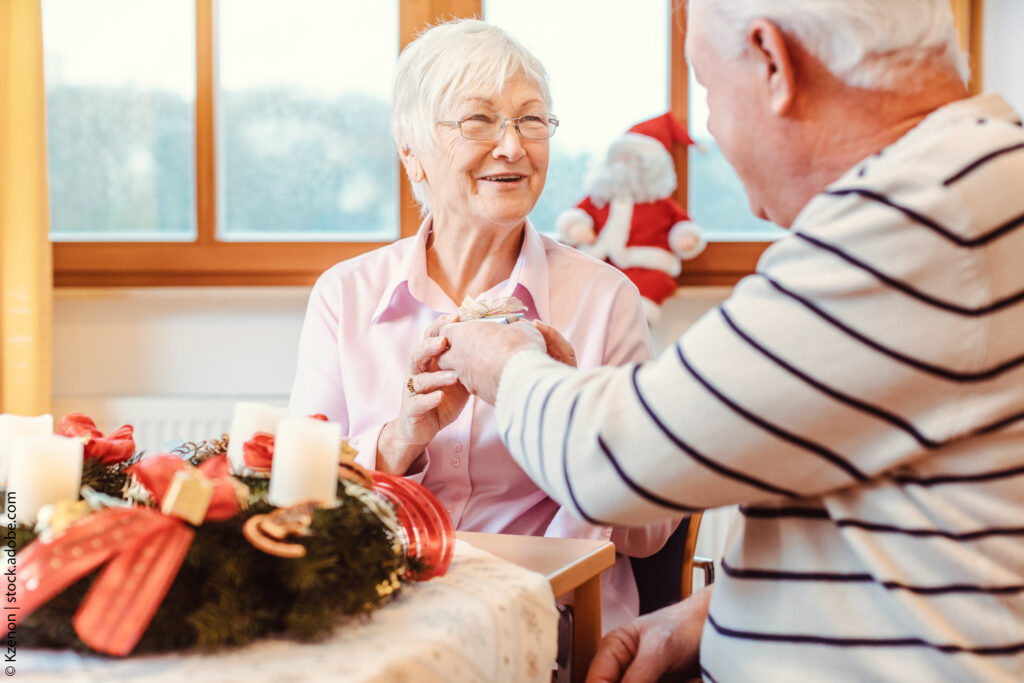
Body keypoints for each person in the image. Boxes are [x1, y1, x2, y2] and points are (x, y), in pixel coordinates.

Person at [436, 0, 1024, 680]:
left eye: (710, 90)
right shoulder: (980, 178)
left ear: (773, 62)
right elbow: (927, 516)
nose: (710, 125)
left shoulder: (918, 218)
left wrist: (506, 362)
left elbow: (618, 461)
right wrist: (708, 612)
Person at [288, 18, 678, 632]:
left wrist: (571, 419)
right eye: (478, 120)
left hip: (556, 624)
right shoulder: (345, 296)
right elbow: (296, 507)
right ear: (411, 150)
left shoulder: (606, 299)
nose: (513, 146)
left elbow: (650, 534)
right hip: (383, 618)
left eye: (530, 120)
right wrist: (400, 439)